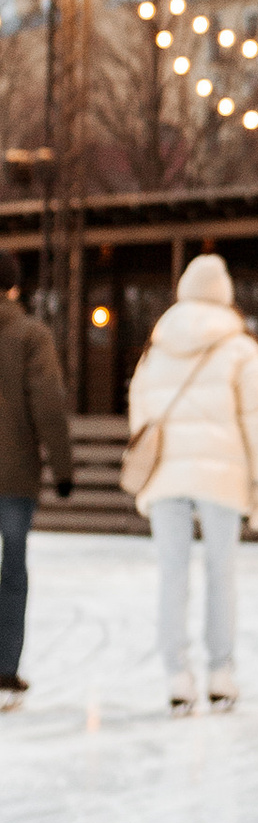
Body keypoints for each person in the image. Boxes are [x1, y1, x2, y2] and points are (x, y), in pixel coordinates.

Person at [127, 254, 258, 716]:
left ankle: (177, 675)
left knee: (172, 574)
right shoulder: (239, 347)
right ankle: (220, 672)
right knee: (221, 572)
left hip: (166, 474)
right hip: (222, 475)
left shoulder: (157, 344)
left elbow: (140, 409)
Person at [0, 250, 74, 710]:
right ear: (14, 286)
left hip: (14, 475)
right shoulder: (31, 335)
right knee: (12, 572)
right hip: (14, 475)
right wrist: (63, 469)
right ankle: (4, 670)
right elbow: (47, 403)